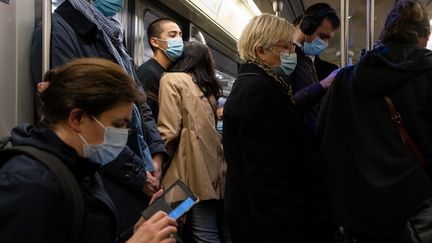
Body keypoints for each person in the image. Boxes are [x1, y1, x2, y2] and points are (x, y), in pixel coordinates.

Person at [0, 58, 177, 243]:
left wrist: (137, 231)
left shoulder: (82, 167)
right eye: (117, 124)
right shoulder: (30, 184)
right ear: (77, 118)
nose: (123, 135)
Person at [30, 0, 167, 236]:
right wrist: (136, 174)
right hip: (111, 171)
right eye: (119, 124)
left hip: (133, 164)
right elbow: (83, 116)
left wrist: (156, 153)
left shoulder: (113, 38)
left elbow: (139, 103)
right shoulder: (59, 31)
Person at [317, 1, 432, 242]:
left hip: (356, 217)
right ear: (423, 37)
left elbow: (324, 142)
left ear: (387, 33)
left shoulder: (345, 79)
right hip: (415, 218)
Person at [222, 13, 316, 242]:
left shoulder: (258, 84)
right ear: (261, 51)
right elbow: (266, 172)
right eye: (285, 48)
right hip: (265, 223)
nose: (292, 55)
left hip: (256, 215)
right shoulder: (258, 91)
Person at [157, 41, 229, 243]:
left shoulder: (171, 79)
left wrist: (156, 163)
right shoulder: (208, 89)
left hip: (186, 174)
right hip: (216, 173)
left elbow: (168, 131)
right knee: (223, 232)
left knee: (196, 233)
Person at [289, 3, 340, 153]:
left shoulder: (306, 60)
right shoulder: (288, 59)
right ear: (306, 26)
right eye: (322, 36)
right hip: (296, 147)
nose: (324, 43)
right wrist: (323, 85)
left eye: (328, 39)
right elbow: (287, 104)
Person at [136, 18, 183, 121]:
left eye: (180, 35)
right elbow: (146, 116)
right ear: (155, 42)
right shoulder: (147, 73)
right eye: (172, 35)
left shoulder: (170, 72)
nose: (179, 39)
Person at [292, 14, 339, 81]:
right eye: (322, 35)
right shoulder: (285, 64)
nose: (325, 42)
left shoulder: (331, 71)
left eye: (327, 38)